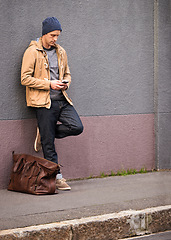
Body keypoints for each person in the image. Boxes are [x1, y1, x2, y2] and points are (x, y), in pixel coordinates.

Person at [21, 17, 83, 191]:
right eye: (52, 35)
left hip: (62, 99)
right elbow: (24, 79)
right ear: (44, 34)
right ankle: (57, 178)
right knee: (49, 146)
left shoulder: (61, 51)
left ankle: (45, 132)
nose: (55, 39)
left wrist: (66, 82)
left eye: (58, 35)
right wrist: (49, 84)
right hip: (43, 103)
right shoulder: (32, 52)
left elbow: (68, 73)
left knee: (77, 126)